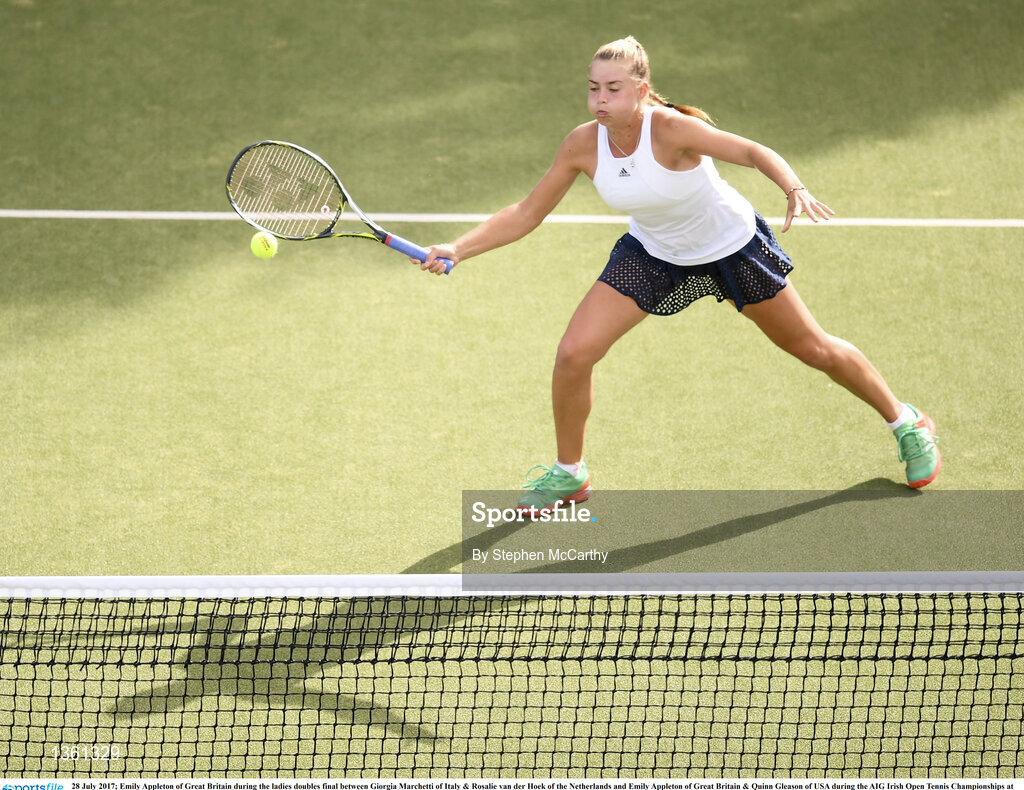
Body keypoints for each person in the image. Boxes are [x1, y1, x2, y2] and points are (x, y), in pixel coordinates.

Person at [417, 36, 940, 512]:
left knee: (813, 349)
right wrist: (459, 249)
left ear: (641, 91)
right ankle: (569, 474)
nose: (600, 100)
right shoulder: (583, 143)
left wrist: (793, 186)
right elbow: (528, 211)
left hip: (731, 249)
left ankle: (905, 422)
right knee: (574, 354)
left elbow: (752, 151)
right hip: (653, 254)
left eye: (614, 89)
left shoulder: (672, 129)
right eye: (593, 88)